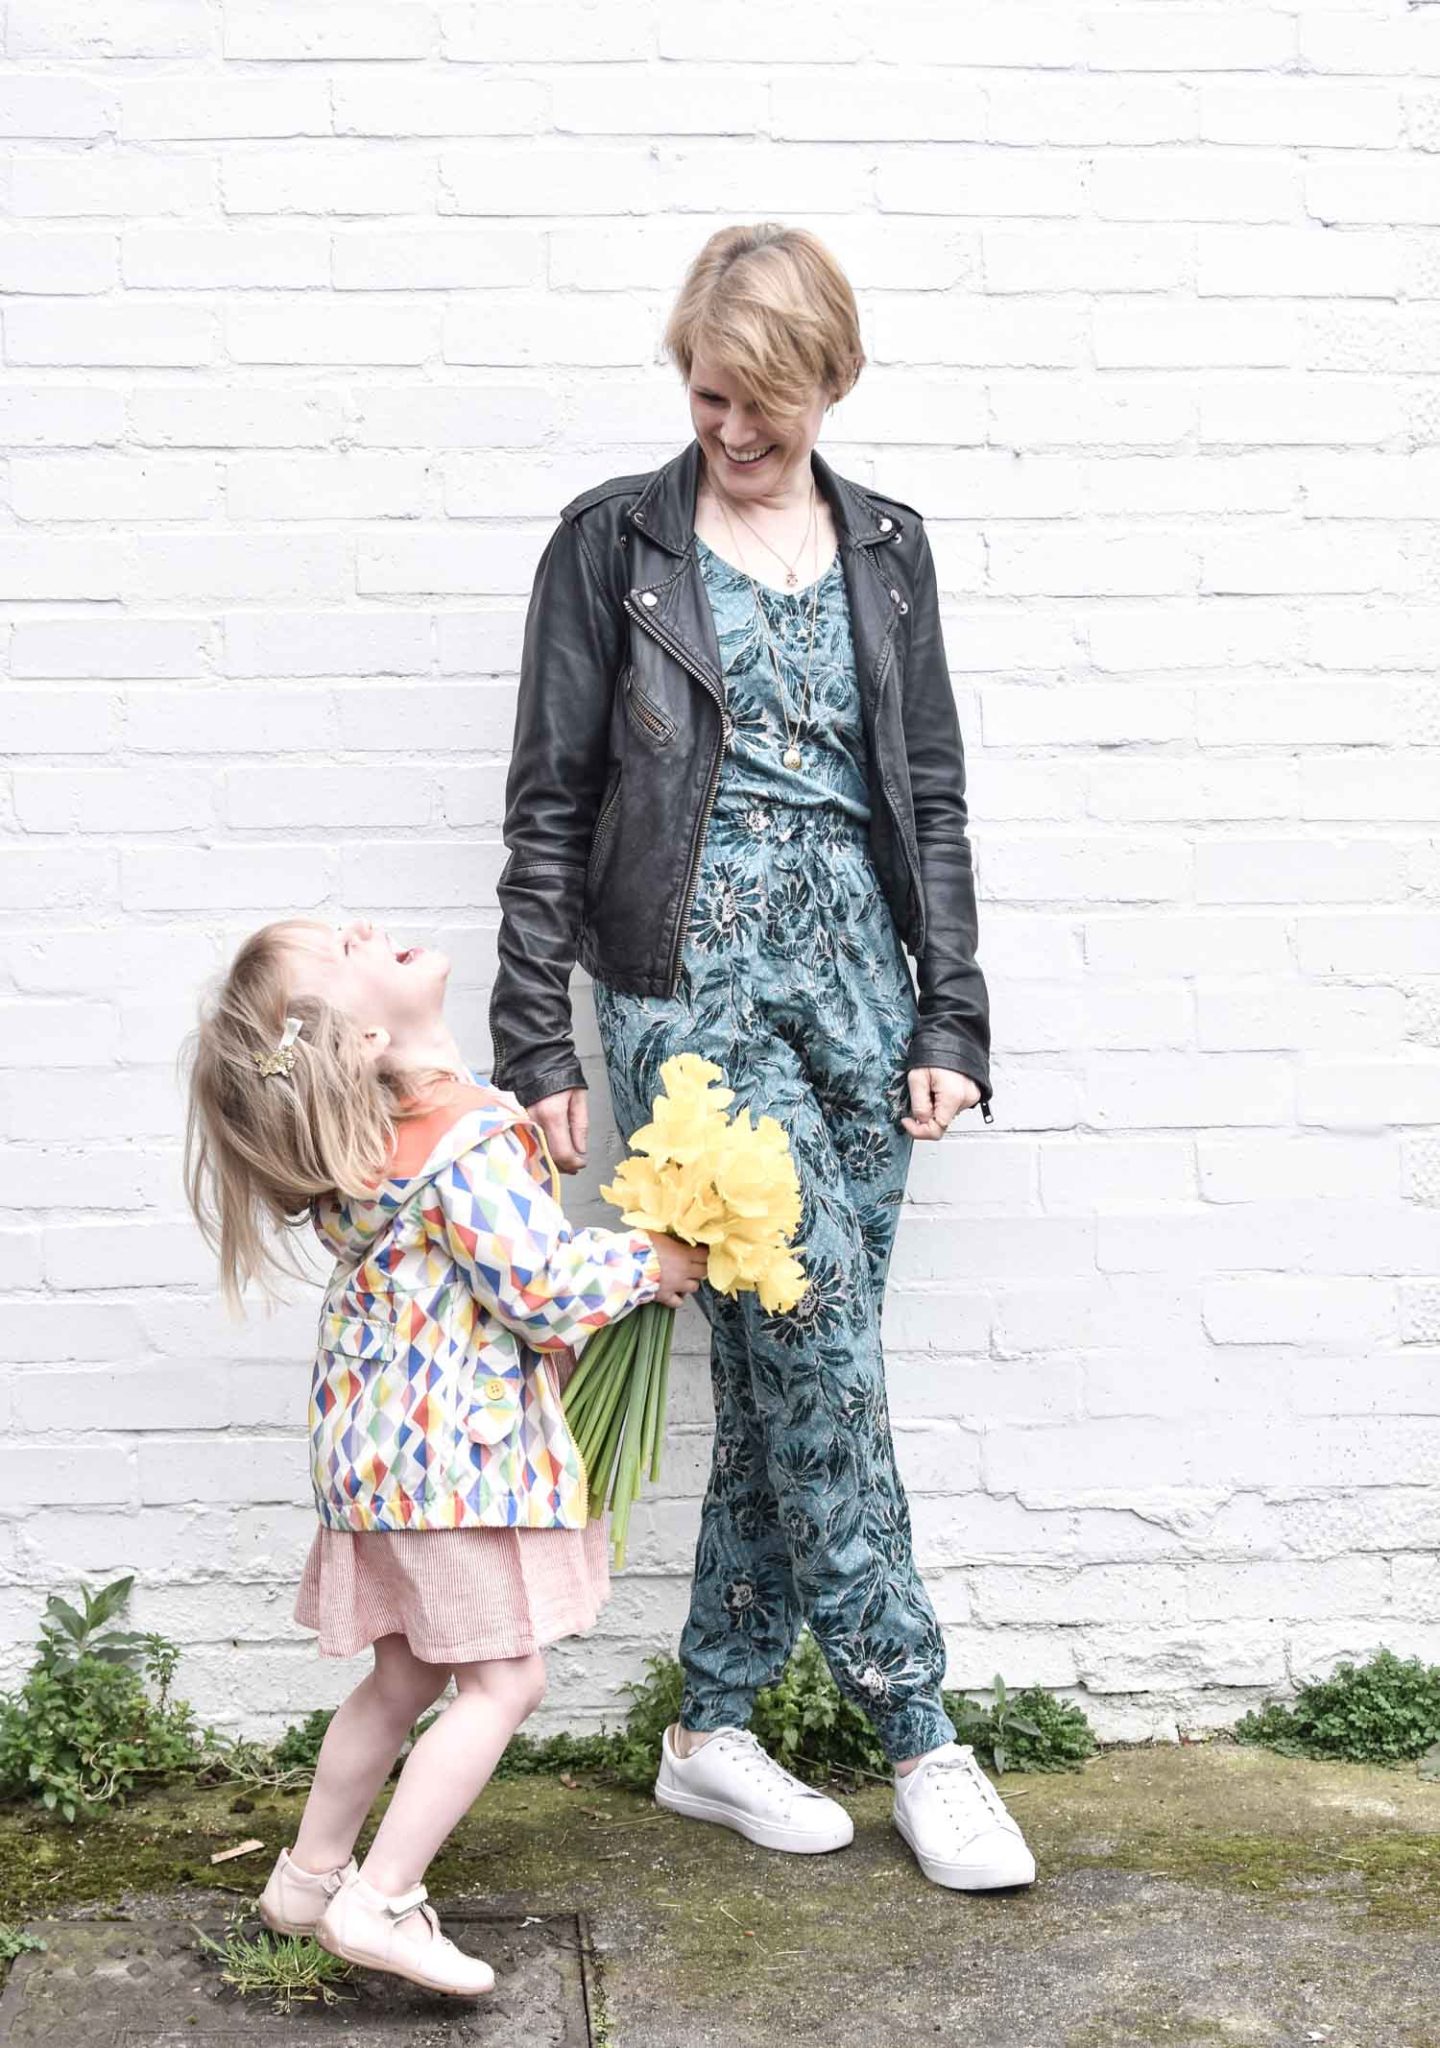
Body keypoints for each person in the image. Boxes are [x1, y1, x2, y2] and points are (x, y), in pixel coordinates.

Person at [489, 222, 1034, 1892]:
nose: (731, 431)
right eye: (708, 395)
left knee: (807, 1374)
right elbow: (551, 805)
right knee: (812, 1344)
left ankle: (710, 1725)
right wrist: (535, 1038)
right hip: (690, 1005)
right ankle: (921, 1727)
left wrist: (949, 1012)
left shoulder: (887, 546)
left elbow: (925, 796)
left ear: (829, 383)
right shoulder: (613, 546)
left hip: (859, 1001)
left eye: (764, 404)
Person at [181, 916, 707, 1995]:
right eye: (342, 946)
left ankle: (306, 1877)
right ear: (363, 1033)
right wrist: (648, 1263)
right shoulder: (463, 1139)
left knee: (405, 1672)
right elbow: (543, 1286)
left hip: (380, 1459)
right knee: (506, 1678)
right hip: (452, 1465)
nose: (367, 928)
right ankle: (382, 1900)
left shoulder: (378, 1141)